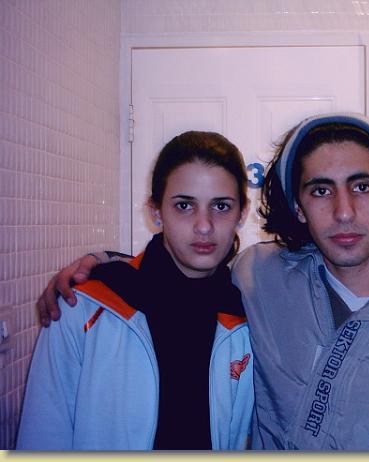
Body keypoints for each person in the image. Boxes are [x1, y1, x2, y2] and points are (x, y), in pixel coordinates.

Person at [36, 113, 369, 450]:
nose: (343, 212)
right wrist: (104, 265)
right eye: (321, 191)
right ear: (299, 208)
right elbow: (182, 271)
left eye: (362, 187)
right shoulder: (262, 276)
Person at [17, 131, 254, 450]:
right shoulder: (84, 304)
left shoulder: (248, 314)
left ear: (242, 213)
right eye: (184, 205)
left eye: (221, 206)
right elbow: (43, 437)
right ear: (156, 211)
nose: (204, 225)